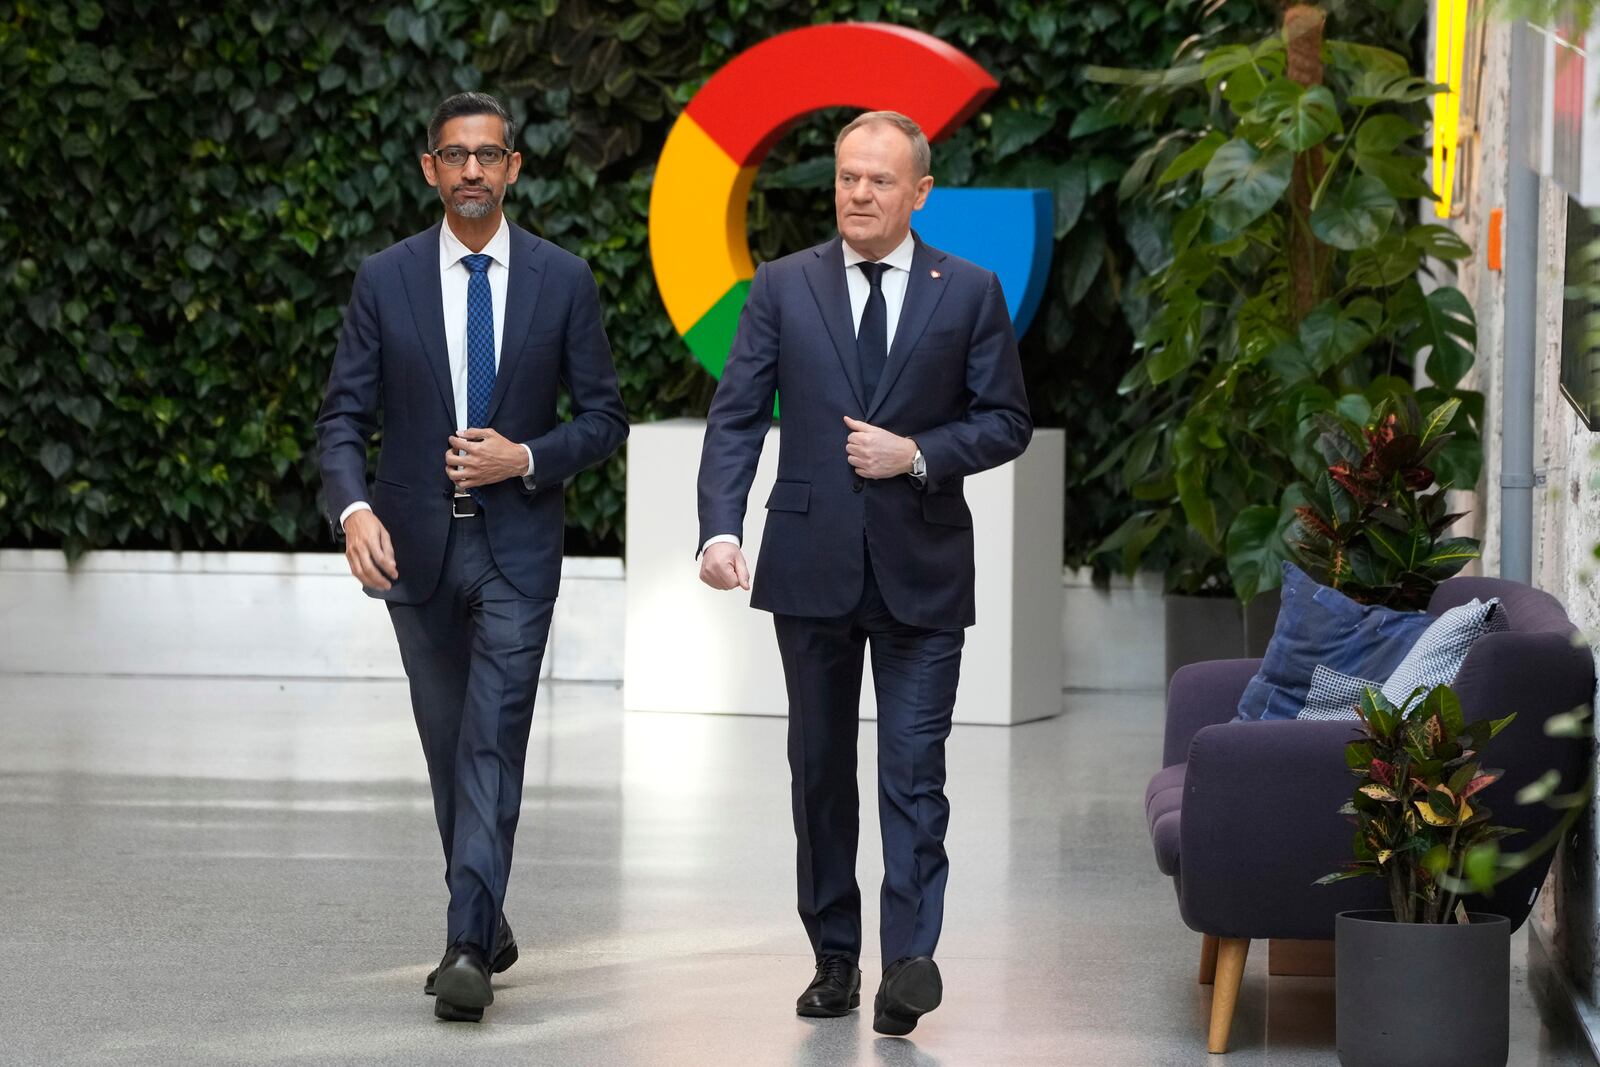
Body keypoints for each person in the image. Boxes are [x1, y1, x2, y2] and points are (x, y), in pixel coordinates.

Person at [695, 110, 1032, 1036]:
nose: (859, 193)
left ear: (920, 192)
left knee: (914, 770)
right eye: (847, 177)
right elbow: (734, 417)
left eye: (880, 180)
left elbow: (1006, 420)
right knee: (820, 769)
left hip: (921, 569)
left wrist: (917, 452)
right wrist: (718, 527)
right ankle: (835, 956)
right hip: (808, 568)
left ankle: (911, 959)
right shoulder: (780, 286)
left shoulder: (967, 290)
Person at [317, 91, 628, 1022]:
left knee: (493, 740)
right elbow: (343, 418)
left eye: (489, 156)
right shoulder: (387, 278)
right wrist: (354, 508)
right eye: (454, 156)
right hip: (415, 552)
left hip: (517, 549)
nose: (472, 172)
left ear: (514, 168)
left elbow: (604, 418)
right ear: (429, 169)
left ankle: (464, 948)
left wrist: (525, 456)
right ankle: (485, 915)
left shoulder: (563, 279)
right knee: (449, 746)